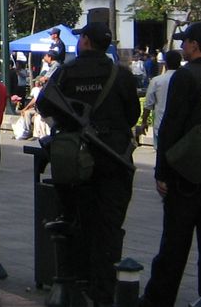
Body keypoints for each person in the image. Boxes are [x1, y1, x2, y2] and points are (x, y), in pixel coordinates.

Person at [37, 21, 140, 307]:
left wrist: (70, 121)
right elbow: (132, 114)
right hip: (114, 159)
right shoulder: (120, 74)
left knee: (75, 222)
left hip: (75, 162)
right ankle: (103, 292)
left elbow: (45, 105)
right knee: (108, 229)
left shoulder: (67, 72)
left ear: (84, 41)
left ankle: (76, 284)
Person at [140, 22, 201, 307]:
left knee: (175, 242)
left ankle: (159, 298)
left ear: (195, 45)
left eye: (185, 42)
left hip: (186, 175)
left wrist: (162, 172)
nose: (183, 47)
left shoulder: (185, 77)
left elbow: (172, 126)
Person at [138, 50, 181, 148]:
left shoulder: (157, 81)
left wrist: (144, 122)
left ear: (165, 63)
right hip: (180, 126)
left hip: (161, 126)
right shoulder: (187, 80)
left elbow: (148, 104)